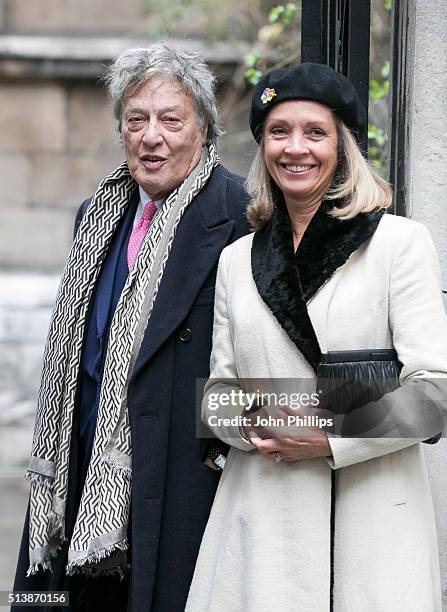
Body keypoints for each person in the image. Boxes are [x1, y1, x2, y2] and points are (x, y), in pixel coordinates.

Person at [186, 63, 447, 611]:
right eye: (278, 132)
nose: (295, 148)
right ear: (262, 148)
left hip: (371, 527)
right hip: (261, 524)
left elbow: (433, 396)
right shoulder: (237, 260)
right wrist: (259, 422)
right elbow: (218, 400)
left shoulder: (399, 244)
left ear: (343, 146)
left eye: (315, 132)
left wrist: (325, 429)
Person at [13, 42, 249, 611]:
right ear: (120, 130)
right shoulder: (98, 215)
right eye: (136, 119)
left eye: (171, 119)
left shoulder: (241, 214)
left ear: (204, 130)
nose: (151, 136)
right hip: (77, 472)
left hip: (175, 483)